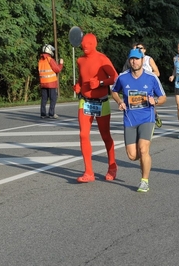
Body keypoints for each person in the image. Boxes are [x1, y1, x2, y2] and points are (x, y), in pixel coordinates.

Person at [112, 48, 166, 192]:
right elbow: (114, 90)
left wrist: (155, 101)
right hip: (130, 119)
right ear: (129, 61)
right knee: (132, 155)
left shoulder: (151, 77)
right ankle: (144, 161)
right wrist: (119, 102)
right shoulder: (123, 77)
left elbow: (163, 97)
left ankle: (144, 181)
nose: (134, 61)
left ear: (142, 60)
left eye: (137, 59)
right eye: (132, 59)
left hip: (147, 117)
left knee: (143, 149)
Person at [73, 33, 118, 183]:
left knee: (105, 136)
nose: (86, 47)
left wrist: (100, 83)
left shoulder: (102, 59)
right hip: (85, 102)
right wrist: (79, 85)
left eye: (89, 44)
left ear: (95, 44)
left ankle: (112, 166)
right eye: (84, 44)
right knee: (83, 135)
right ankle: (89, 172)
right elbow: (82, 76)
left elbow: (114, 77)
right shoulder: (80, 60)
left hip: (101, 102)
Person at [122, 43, 162, 127]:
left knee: (149, 103)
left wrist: (145, 75)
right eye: (137, 48)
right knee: (136, 103)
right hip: (134, 84)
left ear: (144, 50)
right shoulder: (131, 60)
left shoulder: (148, 59)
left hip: (147, 84)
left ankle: (153, 116)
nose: (139, 49)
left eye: (141, 48)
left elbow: (157, 72)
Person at [39, 44, 64, 119]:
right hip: (51, 83)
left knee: (44, 99)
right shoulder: (50, 59)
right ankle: (51, 113)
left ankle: (43, 114)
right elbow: (57, 69)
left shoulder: (40, 60)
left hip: (43, 83)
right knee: (53, 98)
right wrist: (61, 64)